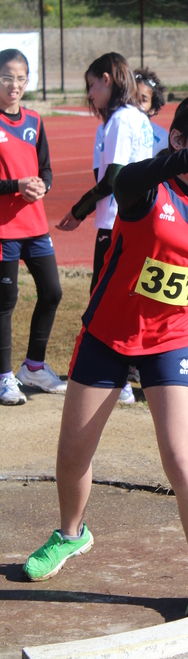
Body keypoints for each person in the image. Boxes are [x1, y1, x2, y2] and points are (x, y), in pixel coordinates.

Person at [23, 95, 188, 617]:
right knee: (74, 453)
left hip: (168, 344)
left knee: (180, 457)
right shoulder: (145, 189)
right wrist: (187, 156)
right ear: (178, 140)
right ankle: (70, 534)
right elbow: (123, 178)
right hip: (106, 337)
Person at [58, 52, 154, 404]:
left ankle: (115, 379)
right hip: (138, 219)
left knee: (105, 299)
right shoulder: (137, 118)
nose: (90, 93)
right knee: (132, 297)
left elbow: (113, 178)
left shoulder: (118, 122)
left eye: (91, 85)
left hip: (115, 222)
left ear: (106, 79)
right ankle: (131, 373)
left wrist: (78, 210)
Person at [0, 48, 65, 405]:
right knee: (5, 302)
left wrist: (43, 185)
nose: (15, 84)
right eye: (7, 76)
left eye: (21, 78)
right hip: (3, 230)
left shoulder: (35, 121)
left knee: (52, 292)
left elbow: (46, 169)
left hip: (35, 227)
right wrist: (15, 186)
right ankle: (4, 376)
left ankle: (33, 367)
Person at [134, 67, 169, 155]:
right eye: (133, 97)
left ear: (152, 109)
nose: (136, 103)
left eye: (143, 100)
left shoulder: (162, 137)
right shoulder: (112, 129)